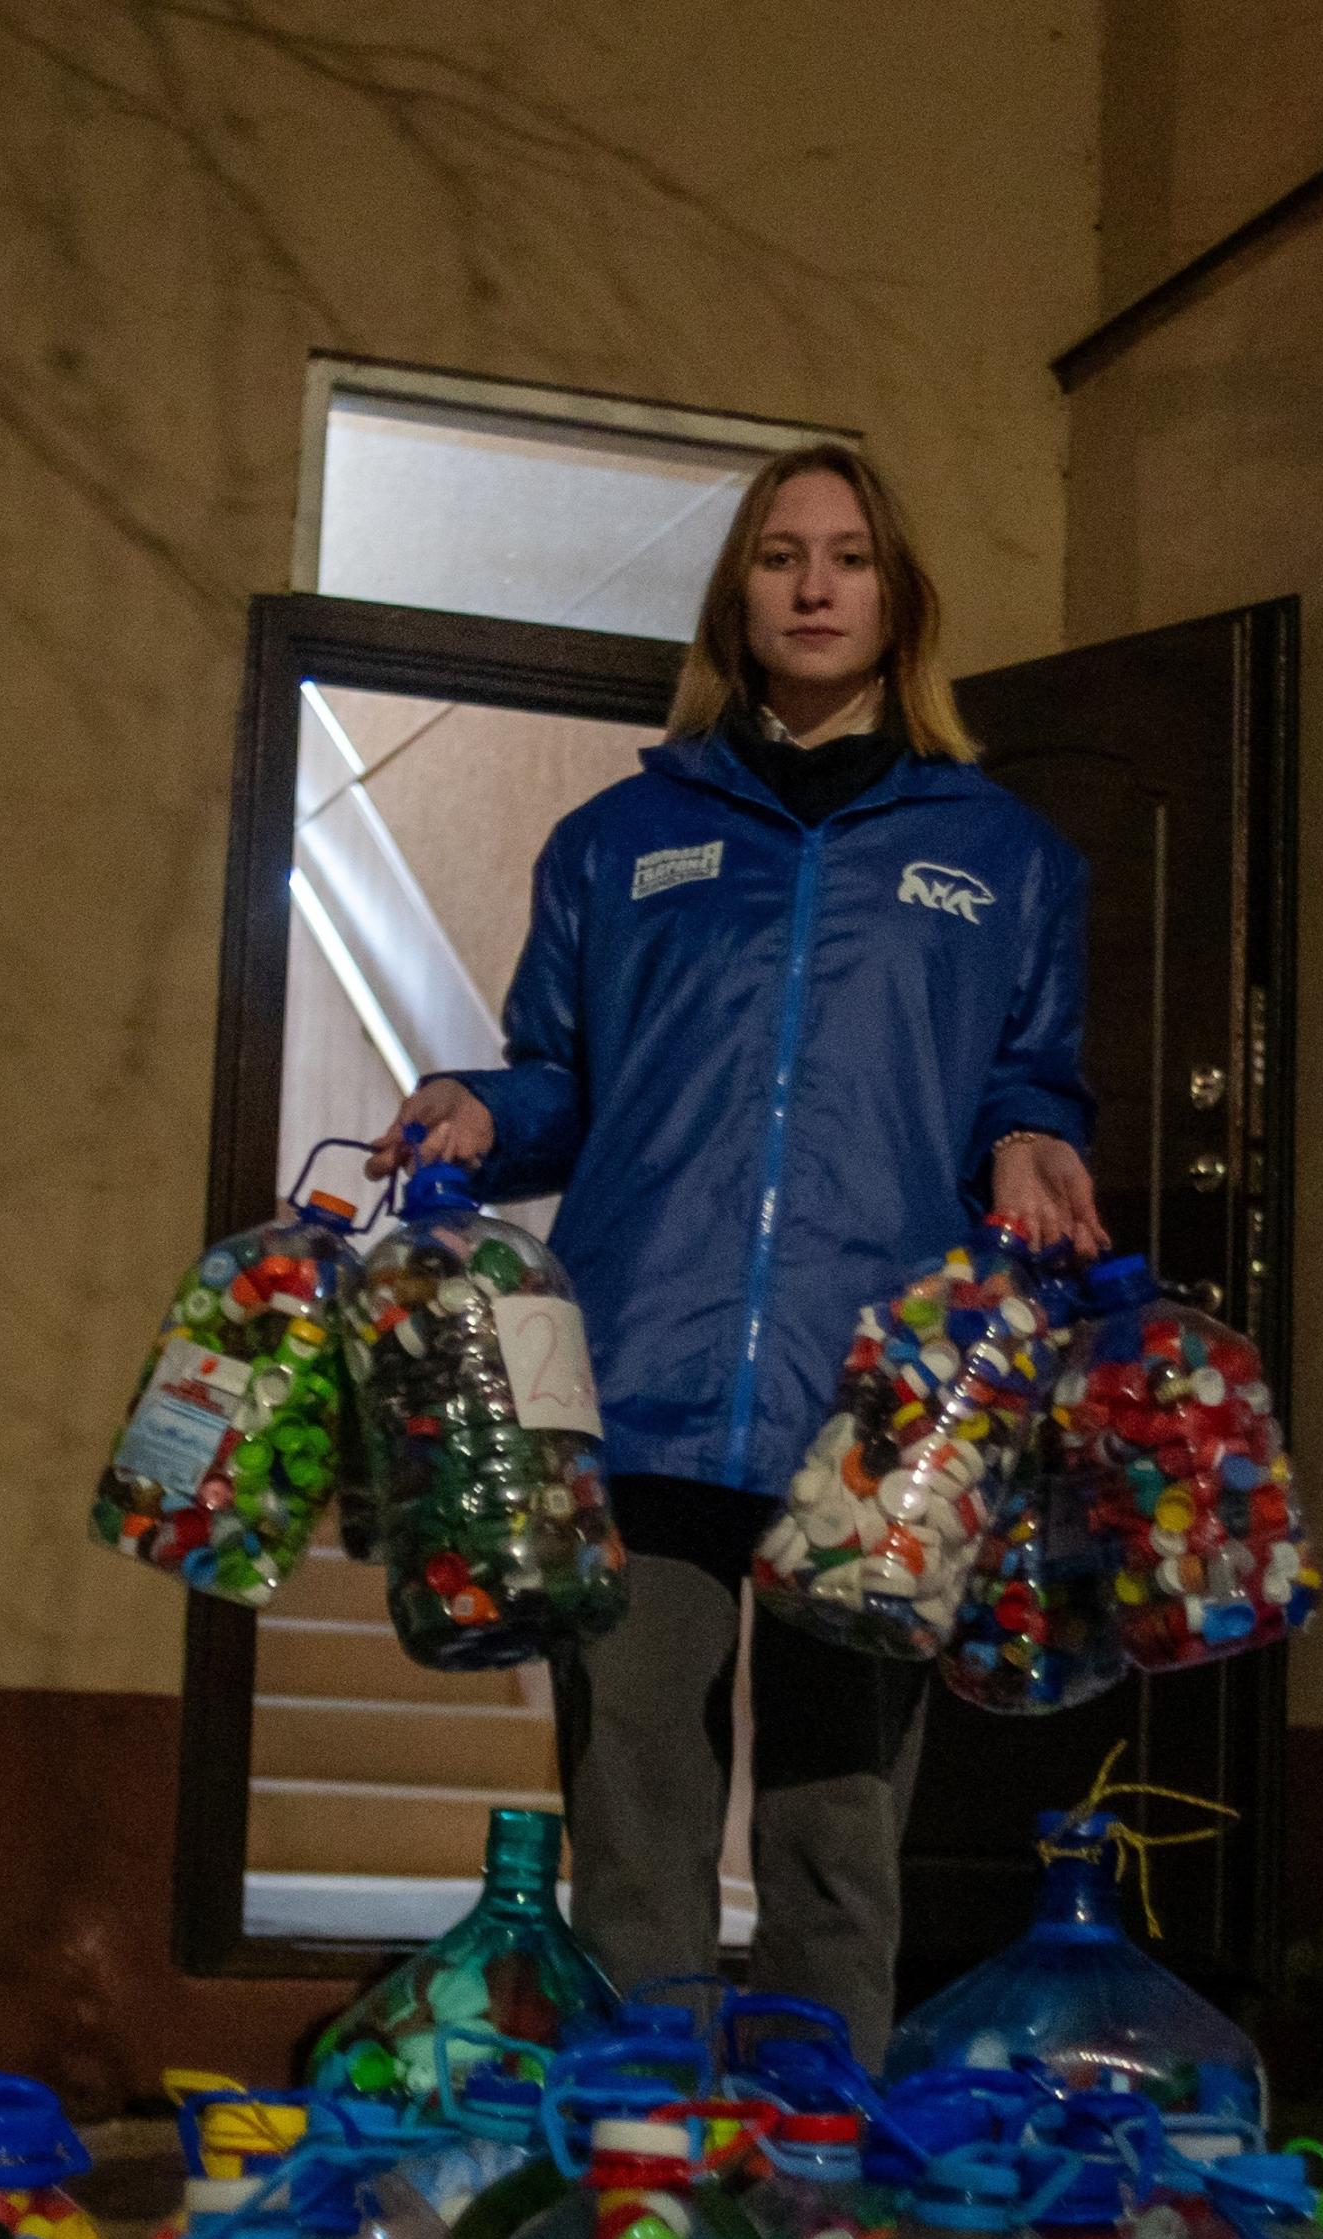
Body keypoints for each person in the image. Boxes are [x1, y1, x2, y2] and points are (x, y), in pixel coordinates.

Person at [368, 443, 1102, 2058]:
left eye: (848, 557)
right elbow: (565, 1080)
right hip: (642, 1370)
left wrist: (1029, 1136)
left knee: (840, 1816)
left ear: (899, 600)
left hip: (882, 1405)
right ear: (737, 598)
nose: (815, 586)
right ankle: (644, 2142)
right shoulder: (617, 841)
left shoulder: (1006, 856)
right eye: (781, 557)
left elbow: (1028, 1082)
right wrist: (486, 1106)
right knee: (634, 1800)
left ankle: (815, 2145)